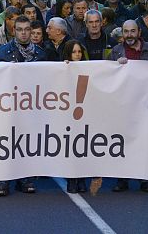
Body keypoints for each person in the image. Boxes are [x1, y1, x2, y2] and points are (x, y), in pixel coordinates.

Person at [0, 16, 45, 196]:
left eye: (27, 29)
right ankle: (3, 179)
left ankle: (25, 178)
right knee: (5, 142)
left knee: (27, 141)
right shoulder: (2, 52)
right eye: (20, 29)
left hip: (31, 105)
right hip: (8, 105)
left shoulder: (41, 53)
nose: (23, 33)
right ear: (14, 31)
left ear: (31, 31)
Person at [109, 20, 148, 193]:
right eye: (126, 31)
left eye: (133, 31)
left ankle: (144, 179)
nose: (129, 35)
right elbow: (107, 76)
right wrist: (115, 65)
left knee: (144, 142)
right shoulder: (116, 51)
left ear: (139, 32)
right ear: (122, 33)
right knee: (121, 142)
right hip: (123, 104)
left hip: (144, 104)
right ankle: (122, 180)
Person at [62, 39, 90, 193]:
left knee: (83, 146)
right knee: (70, 147)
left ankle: (81, 179)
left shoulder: (89, 68)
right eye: (74, 52)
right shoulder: (63, 68)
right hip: (67, 113)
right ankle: (72, 179)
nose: (77, 55)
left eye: (79, 51)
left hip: (84, 112)